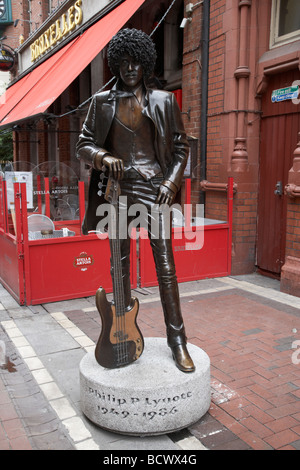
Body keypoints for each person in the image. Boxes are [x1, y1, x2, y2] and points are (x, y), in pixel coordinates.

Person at [76, 28, 195, 373]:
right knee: (120, 267)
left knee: (166, 267)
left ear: (145, 63)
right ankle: (124, 335)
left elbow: (180, 148)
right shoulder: (101, 103)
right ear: (116, 64)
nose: (130, 68)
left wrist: (172, 183)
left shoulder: (163, 101)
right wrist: (101, 157)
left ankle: (178, 342)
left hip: (155, 187)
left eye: (135, 62)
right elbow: (83, 144)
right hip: (117, 190)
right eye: (123, 62)